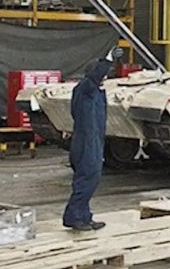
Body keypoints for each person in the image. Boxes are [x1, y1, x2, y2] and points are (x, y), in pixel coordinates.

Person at [63, 48, 117, 231]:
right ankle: (73, 217)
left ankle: (84, 217)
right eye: (104, 74)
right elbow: (94, 78)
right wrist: (108, 60)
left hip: (94, 141)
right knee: (85, 180)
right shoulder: (84, 89)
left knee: (91, 180)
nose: (106, 77)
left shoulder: (96, 93)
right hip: (85, 143)